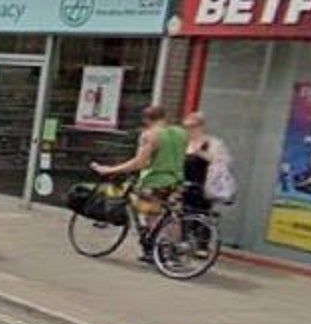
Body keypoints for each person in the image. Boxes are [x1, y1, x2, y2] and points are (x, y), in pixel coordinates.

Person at [93, 104, 187, 259]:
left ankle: (155, 250)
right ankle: (173, 249)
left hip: (155, 180)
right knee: (172, 217)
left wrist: (109, 170)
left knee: (150, 212)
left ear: (146, 119)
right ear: (164, 116)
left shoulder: (150, 135)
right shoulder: (181, 134)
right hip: (176, 181)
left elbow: (139, 163)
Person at [182, 111, 235, 211]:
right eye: (186, 127)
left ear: (202, 127)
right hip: (184, 187)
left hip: (203, 188)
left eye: (193, 126)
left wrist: (200, 153)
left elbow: (222, 163)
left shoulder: (213, 143)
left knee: (199, 216)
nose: (190, 130)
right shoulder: (185, 143)